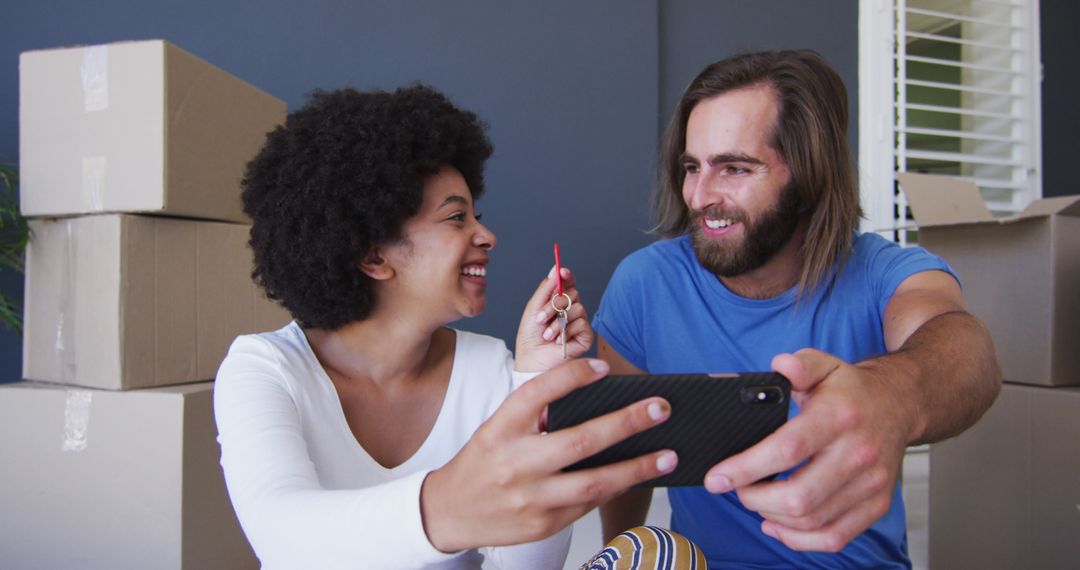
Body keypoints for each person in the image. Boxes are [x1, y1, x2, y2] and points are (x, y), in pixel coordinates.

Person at [213, 85, 680, 569]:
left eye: (477, 215)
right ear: (373, 255)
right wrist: (447, 506)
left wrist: (534, 384)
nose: (486, 235)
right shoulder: (265, 369)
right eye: (456, 218)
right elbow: (281, 534)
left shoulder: (490, 370)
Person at [592, 50, 1001, 568]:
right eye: (692, 168)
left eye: (735, 168)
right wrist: (623, 549)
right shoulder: (645, 281)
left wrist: (891, 394)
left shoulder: (885, 272)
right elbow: (628, 450)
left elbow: (966, 349)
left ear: (807, 175)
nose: (699, 196)